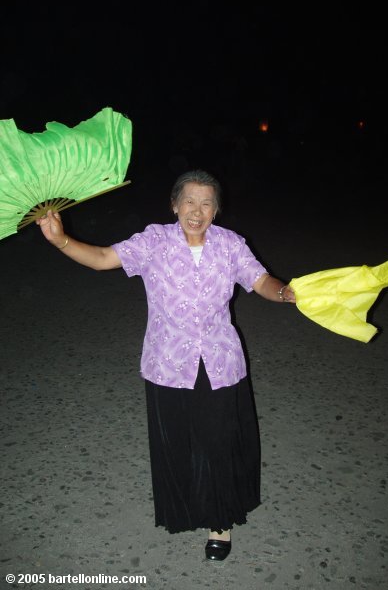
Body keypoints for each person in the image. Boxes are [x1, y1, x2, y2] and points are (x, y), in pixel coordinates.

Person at [37, 169, 296, 561]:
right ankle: (188, 505)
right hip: (168, 361)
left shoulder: (230, 245)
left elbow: (259, 280)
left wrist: (284, 292)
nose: (197, 210)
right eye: (189, 201)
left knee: (218, 440)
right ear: (174, 205)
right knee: (177, 439)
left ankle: (219, 522)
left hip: (220, 360)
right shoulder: (154, 241)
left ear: (216, 210)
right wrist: (61, 240)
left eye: (207, 203)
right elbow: (104, 258)